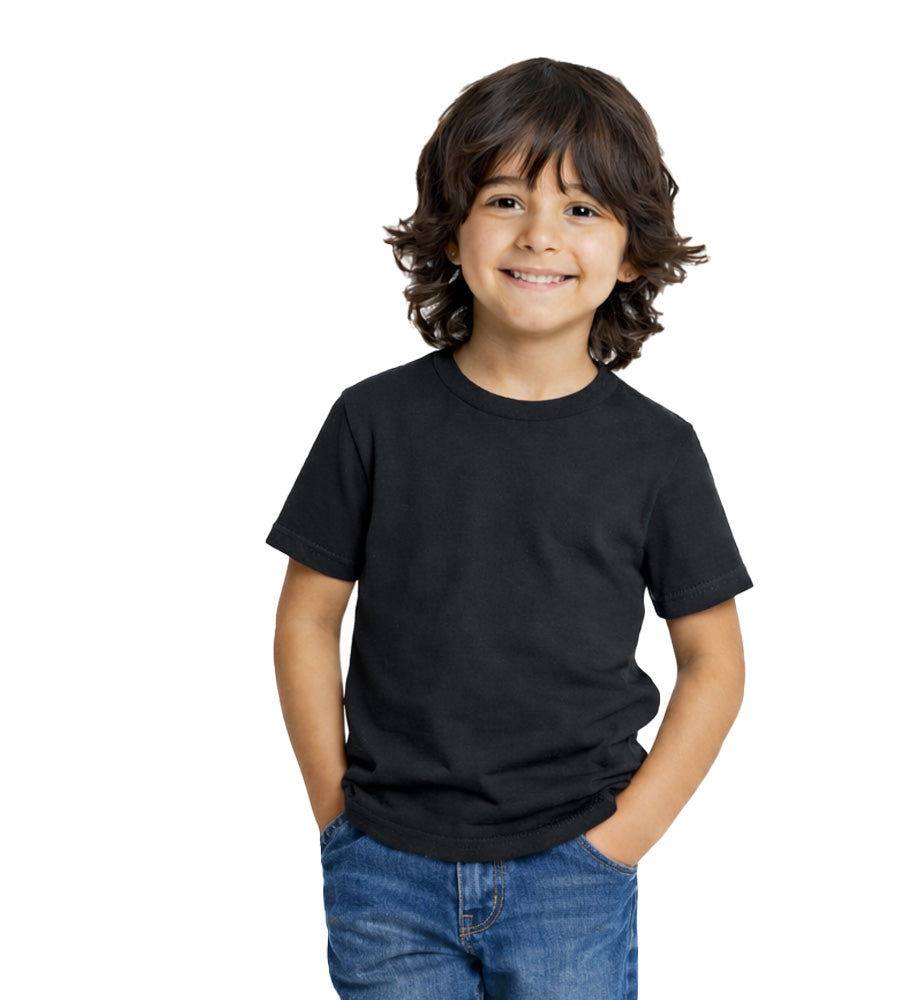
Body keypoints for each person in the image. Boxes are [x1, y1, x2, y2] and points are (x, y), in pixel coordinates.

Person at [267, 57, 752, 1000]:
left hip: (574, 872)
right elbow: (306, 618)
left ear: (633, 251)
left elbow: (716, 662)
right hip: (385, 867)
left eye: (582, 208)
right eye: (504, 199)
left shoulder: (659, 451)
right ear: (452, 228)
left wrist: (622, 841)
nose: (540, 234)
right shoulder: (373, 421)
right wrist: (335, 815)